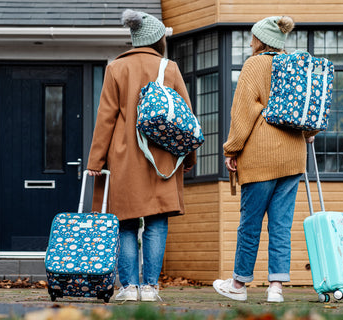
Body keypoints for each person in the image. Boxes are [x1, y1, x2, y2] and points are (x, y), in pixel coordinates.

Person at [87, 9, 196, 302]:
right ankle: (150, 288)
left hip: (123, 159)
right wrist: (188, 159)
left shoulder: (115, 69)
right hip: (162, 159)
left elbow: (106, 118)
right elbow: (186, 118)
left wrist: (96, 161)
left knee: (124, 221)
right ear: (157, 39)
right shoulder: (169, 68)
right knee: (157, 221)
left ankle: (129, 287)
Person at [213, 16, 316, 303]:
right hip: (294, 157)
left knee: (250, 223)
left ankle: (238, 284)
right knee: (281, 225)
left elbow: (242, 112)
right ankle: (276, 288)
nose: (249, 42)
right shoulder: (296, 65)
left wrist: (231, 149)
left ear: (261, 40)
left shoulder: (255, 65)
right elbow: (309, 110)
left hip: (260, 157)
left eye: (253, 37)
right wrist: (308, 133)